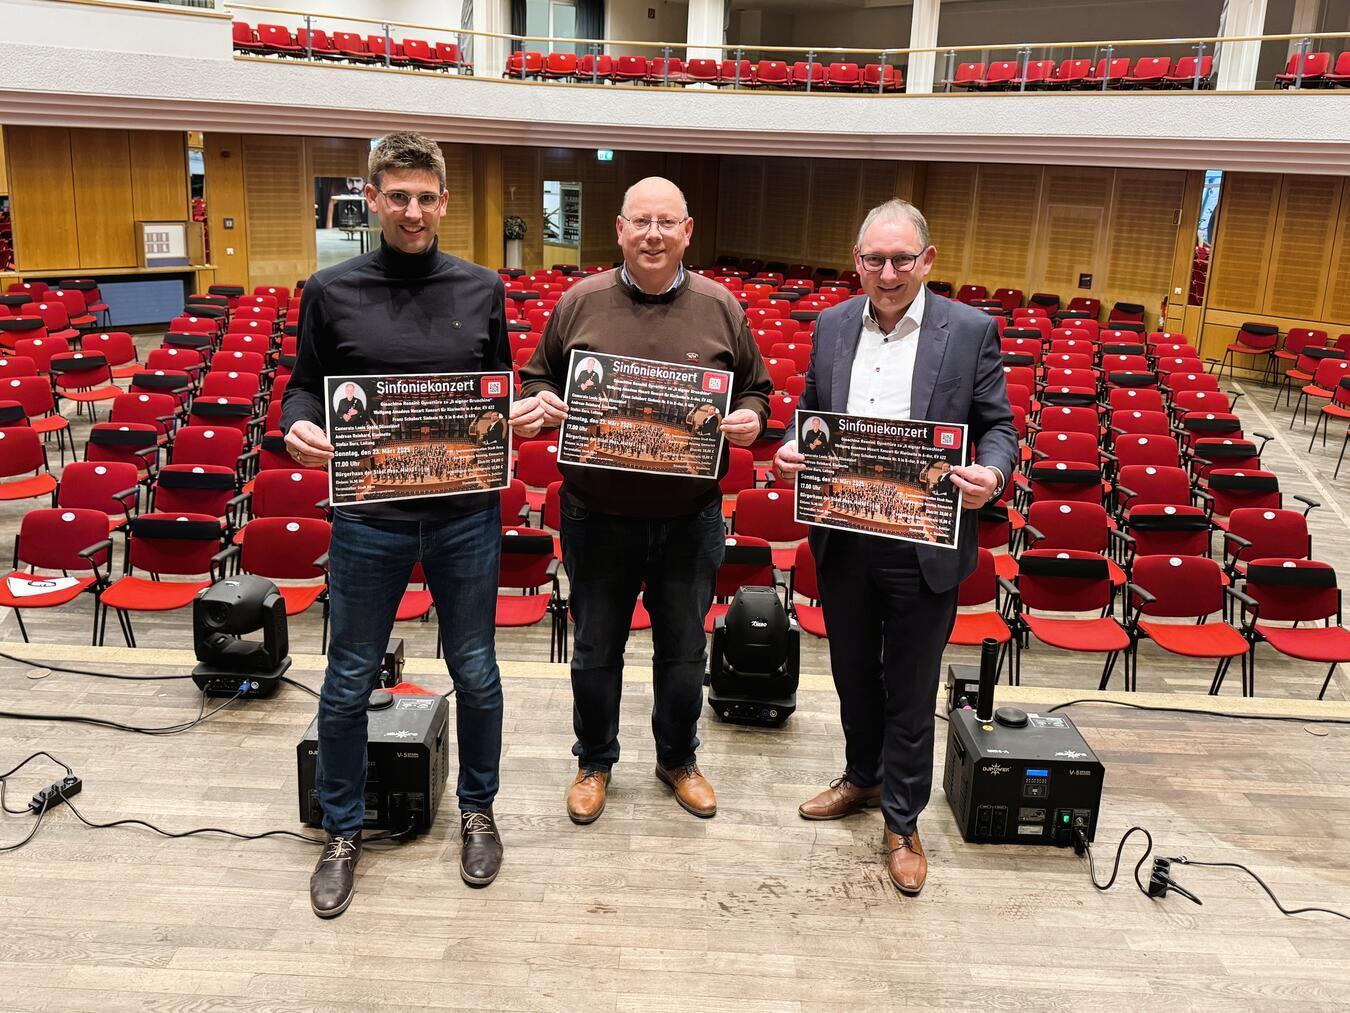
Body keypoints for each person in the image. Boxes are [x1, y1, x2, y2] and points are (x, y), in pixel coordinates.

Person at [283, 131, 512, 918]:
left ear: (444, 202)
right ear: (372, 199)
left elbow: (498, 388)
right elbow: (303, 386)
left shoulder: (482, 288)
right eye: (398, 197)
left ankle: (478, 809)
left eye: (426, 198)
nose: (413, 211)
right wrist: (296, 423)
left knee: (476, 671)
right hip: (367, 518)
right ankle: (342, 830)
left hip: (465, 517)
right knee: (349, 679)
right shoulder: (329, 289)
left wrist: (516, 412)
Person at [774, 199, 1016, 896]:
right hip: (843, 534)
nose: (888, 273)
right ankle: (864, 776)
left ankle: (903, 820)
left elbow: (998, 427)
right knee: (852, 674)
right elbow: (812, 412)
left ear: (927, 261)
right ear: (857, 262)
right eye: (875, 260)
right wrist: (792, 446)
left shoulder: (968, 330)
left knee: (910, 688)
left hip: (923, 542)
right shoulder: (830, 325)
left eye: (902, 259)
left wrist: (993, 473)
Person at [512, 176, 772, 825]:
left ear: (687, 231)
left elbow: (757, 390)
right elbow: (537, 376)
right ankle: (594, 761)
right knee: (596, 649)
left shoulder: (721, 306)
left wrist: (750, 417)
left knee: (683, 652)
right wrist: (543, 400)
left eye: (666, 222)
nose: (653, 234)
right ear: (620, 230)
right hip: (596, 515)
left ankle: (678, 760)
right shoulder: (579, 301)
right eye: (641, 221)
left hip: (689, 518)